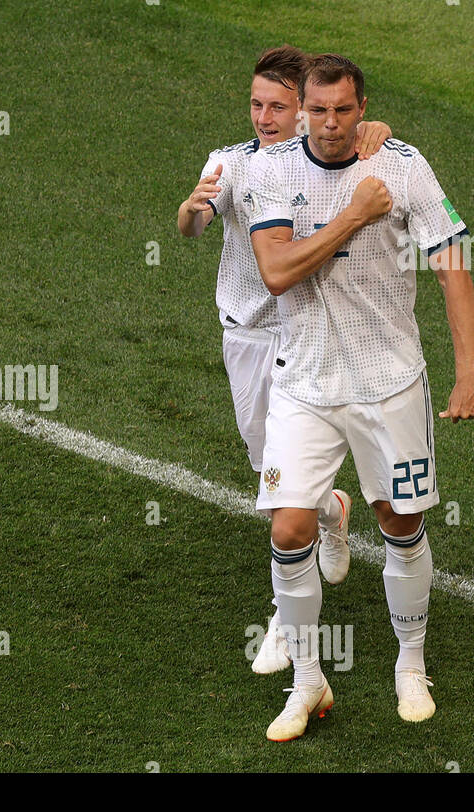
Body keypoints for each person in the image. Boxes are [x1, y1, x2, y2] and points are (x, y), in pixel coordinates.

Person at [246, 54, 474, 740]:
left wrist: (468, 371)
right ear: (300, 112)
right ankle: (307, 681)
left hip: (390, 383)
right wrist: (353, 214)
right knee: (289, 528)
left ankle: (410, 662)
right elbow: (278, 274)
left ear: (362, 107)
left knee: (398, 521)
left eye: (343, 110)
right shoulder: (271, 172)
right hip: (306, 384)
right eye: (315, 111)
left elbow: (451, 267)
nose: (328, 125)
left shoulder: (404, 163)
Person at [177, 45, 393, 674]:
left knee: (279, 488)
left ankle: (286, 622)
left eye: (277, 105)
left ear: (304, 110)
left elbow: (361, 133)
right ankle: (333, 512)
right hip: (246, 335)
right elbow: (191, 226)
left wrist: (376, 131)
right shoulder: (232, 162)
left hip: (307, 337)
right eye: (255, 104)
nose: (263, 117)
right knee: (262, 463)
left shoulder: (327, 153)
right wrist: (190, 211)